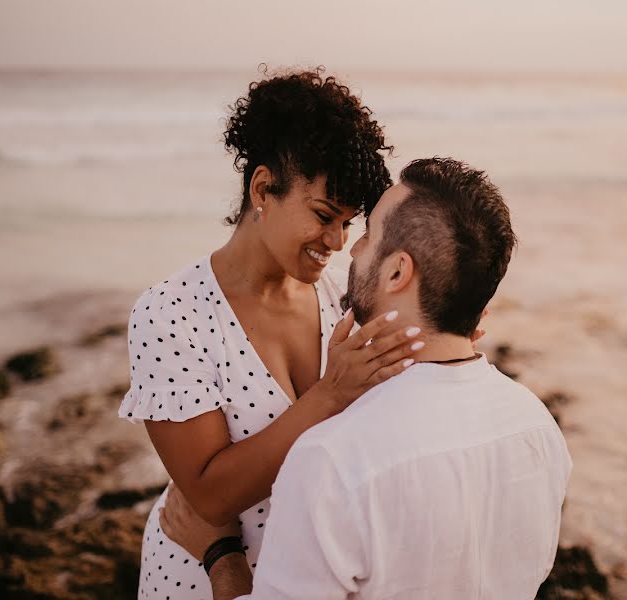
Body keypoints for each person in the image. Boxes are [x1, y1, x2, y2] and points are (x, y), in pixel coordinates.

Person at [160, 158, 573, 599]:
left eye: (368, 233)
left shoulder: (332, 462)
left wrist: (222, 558)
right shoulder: (538, 428)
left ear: (397, 272)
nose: (349, 249)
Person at [117, 69, 437, 599]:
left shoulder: (343, 295)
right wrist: (331, 394)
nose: (336, 241)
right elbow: (211, 496)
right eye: (323, 215)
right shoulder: (170, 313)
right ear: (263, 188)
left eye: (349, 222)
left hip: (319, 578)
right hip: (203, 578)